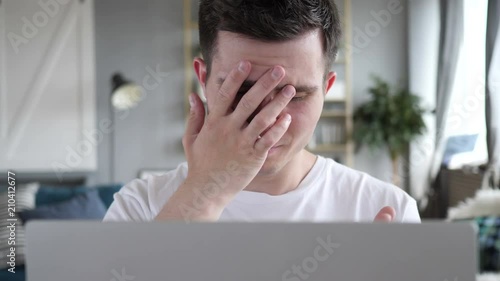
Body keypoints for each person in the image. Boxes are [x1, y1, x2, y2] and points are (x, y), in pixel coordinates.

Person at [103, 0, 420, 223]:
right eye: (243, 92)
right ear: (203, 79)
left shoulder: (388, 210)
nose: (269, 121)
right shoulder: (140, 208)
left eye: (294, 95)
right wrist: (204, 193)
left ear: (326, 89)